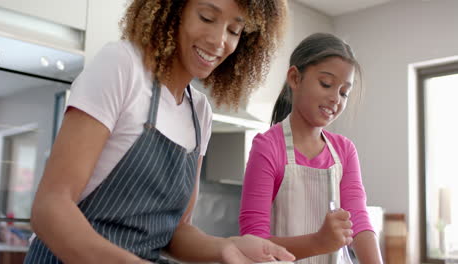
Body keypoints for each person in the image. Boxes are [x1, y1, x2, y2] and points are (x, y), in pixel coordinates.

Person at [23, 0, 295, 263]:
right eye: (207, 17)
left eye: (234, 30)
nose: (218, 40)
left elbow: (176, 233)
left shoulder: (200, 113)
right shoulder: (123, 66)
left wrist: (227, 247)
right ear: (175, 9)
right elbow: (50, 207)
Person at [239, 33, 383, 264]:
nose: (336, 98)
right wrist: (318, 242)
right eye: (326, 84)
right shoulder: (267, 148)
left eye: (344, 92)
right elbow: (253, 241)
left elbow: (359, 222)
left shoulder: (345, 151)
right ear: (295, 78)